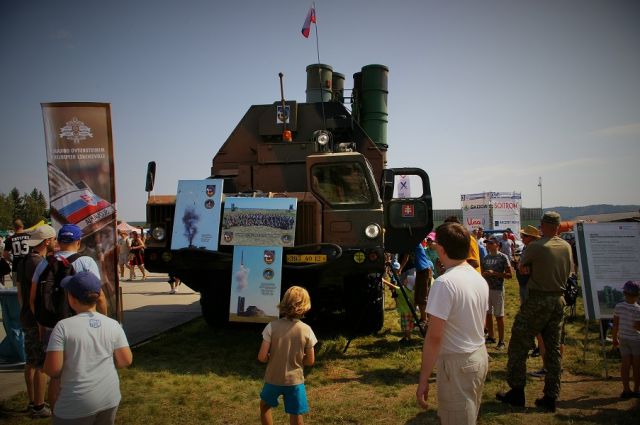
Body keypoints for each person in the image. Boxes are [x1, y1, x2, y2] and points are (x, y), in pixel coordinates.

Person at [497, 211, 573, 413]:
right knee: (553, 349)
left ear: (543, 225)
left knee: (518, 344)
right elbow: (569, 271)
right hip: (558, 300)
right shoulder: (566, 246)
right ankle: (551, 396)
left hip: (538, 299)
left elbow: (522, 267)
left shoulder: (536, 246)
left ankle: (517, 392)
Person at [416, 222, 489, 424]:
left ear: (441, 248)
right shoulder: (478, 278)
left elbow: (434, 337)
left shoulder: (444, 283)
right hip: (478, 355)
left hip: (457, 364)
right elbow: (481, 322)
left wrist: (423, 379)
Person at [30, 223, 108, 409]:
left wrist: (41, 322)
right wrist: (103, 319)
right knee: (83, 370)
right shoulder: (85, 262)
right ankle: (84, 409)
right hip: (80, 325)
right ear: (78, 242)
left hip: (52, 325)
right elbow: (99, 295)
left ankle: (58, 414)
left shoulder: (44, 263)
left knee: (56, 376)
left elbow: (33, 299)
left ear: (58, 241)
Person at [43, 271, 132, 424]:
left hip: (75, 404)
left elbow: (53, 369)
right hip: (109, 398)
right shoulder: (113, 324)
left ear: (72, 298)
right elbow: (126, 360)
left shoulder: (63, 327)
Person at [258, 286, 317, 425]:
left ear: (284, 302)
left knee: (264, 406)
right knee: (296, 414)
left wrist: (272, 357)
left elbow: (262, 357)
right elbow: (310, 360)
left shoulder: (271, 326)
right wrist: (298, 358)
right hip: (295, 381)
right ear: (306, 306)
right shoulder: (307, 330)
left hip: (273, 379)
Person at [17, 224, 57, 418]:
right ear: (47, 241)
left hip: (26, 316)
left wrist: (25, 311)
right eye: (54, 239)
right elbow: (39, 297)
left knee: (30, 361)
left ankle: (33, 401)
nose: (55, 242)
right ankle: (39, 406)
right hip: (37, 320)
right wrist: (41, 320)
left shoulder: (24, 260)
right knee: (41, 363)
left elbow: (20, 292)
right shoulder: (39, 264)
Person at [481, 236, 512, 350]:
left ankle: (501, 341)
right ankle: (491, 336)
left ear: (497, 245)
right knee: (488, 314)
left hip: (498, 289)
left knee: (499, 316)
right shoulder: (485, 258)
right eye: (487, 243)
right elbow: (482, 272)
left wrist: (494, 273)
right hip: (486, 289)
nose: (488, 245)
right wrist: (484, 274)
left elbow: (509, 275)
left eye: (490, 243)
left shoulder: (503, 257)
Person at [612, 280, 640, 398]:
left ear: (624, 293)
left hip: (623, 338)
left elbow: (615, 325)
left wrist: (614, 338)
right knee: (637, 366)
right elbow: (637, 326)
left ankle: (626, 390)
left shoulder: (618, 306)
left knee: (625, 364)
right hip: (636, 340)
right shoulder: (638, 309)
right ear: (638, 295)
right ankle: (636, 390)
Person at [383, 263, 417, 343]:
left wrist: (384, 281)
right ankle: (406, 337)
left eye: (406, 280)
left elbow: (392, 286)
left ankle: (408, 338)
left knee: (406, 326)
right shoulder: (413, 292)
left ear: (408, 284)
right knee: (409, 325)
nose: (405, 279)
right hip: (411, 311)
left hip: (405, 312)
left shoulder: (403, 290)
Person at [3, 218, 30, 288]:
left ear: (14, 227)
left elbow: (5, 254)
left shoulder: (10, 239)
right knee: (29, 287)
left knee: (17, 288)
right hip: (28, 265)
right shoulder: (29, 237)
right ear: (22, 226)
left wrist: (11, 261)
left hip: (16, 266)